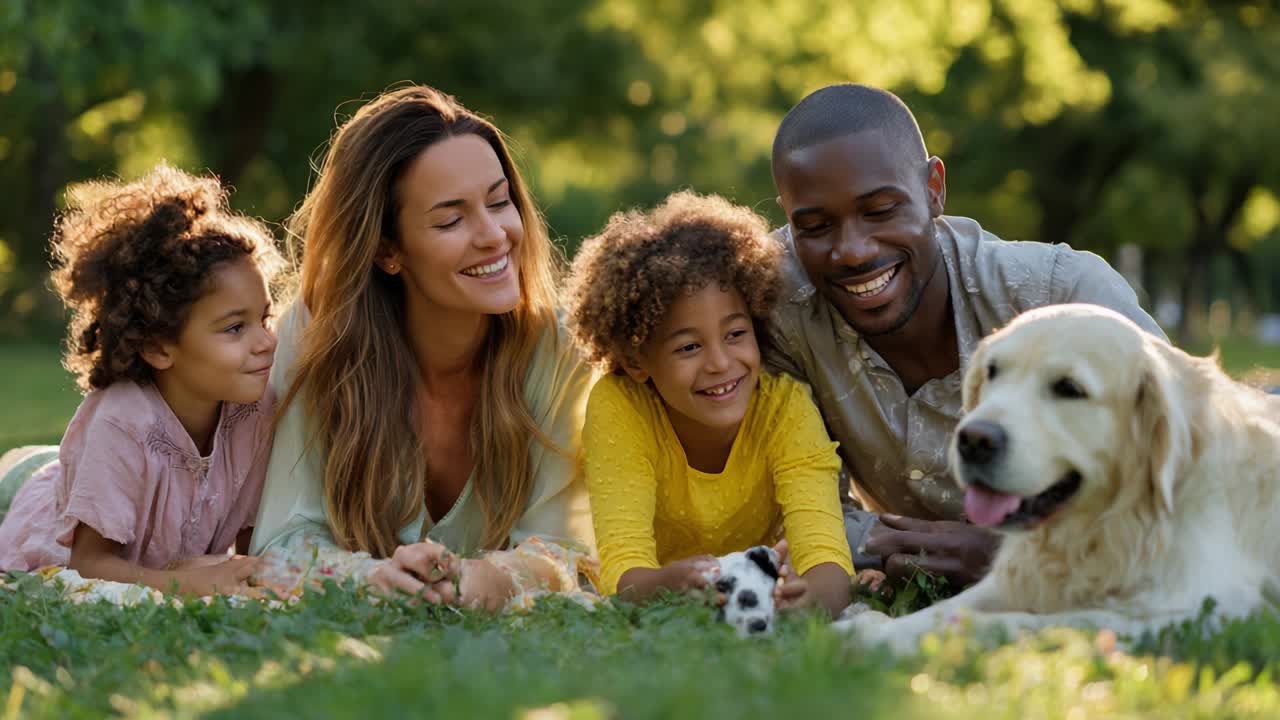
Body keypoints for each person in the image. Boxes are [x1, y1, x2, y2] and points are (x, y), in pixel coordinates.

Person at [766, 84, 1166, 587]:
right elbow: (785, 507)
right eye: (816, 226)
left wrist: (1020, 549)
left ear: (934, 188)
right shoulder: (770, 301)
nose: (852, 251)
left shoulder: (1063, 294)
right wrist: (880, 545)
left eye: (881, 210)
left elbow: (1183, 471)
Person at [248, 85, 597, 610]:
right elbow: (281, 542)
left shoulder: (561, 348)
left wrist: (486, 581)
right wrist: (369, 579)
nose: (493, 235)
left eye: (499, 202)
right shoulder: (318, 334)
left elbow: (569, 549)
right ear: (388, 250)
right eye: (451, 219)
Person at [564, 191, 853, 617]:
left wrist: (813, 599)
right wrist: (665, 584)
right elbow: (624, 572)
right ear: (636, 360)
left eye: (736, 334)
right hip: (664, 577)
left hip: (758, 577)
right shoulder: (621, 407)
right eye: (689, 347)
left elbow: (825, 555)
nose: (720, 363)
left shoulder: (784, 409)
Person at [0, 164, 283, 597]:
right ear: (158, 348)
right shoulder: (123, 421)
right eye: (234, 328)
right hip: (39, 514)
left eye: (264, 318)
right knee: (21, 480)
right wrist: (181, 582)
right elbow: (89, 564)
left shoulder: (257, 410)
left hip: (92, 478)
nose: (266, 342)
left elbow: (251, 546)